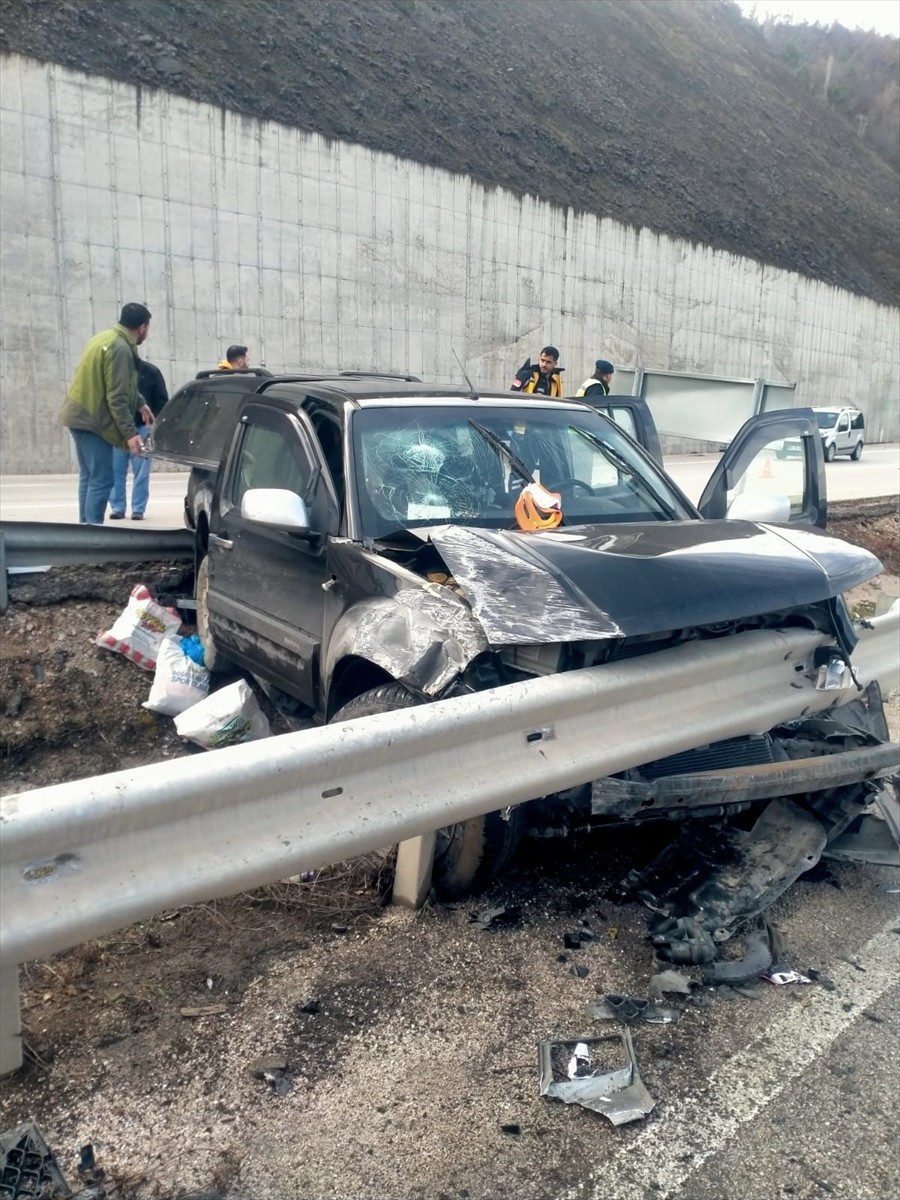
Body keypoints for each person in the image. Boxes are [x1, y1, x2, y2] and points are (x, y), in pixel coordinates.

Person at [60, 302, 152, 524]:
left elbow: (113, 382)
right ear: (142, 327)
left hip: (78, 414)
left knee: (89, 477)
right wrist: (130, 434)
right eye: (148, 328)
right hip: (92, 420)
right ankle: (92, 539)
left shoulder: (103, 338)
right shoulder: (120, 348)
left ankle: (84, 533)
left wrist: (140, 402)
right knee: (102, 479)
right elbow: (116, 397)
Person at [109, 359, 169, 520]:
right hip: (118, 428)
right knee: (115, 471)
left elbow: (162, 400)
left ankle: (138, 509)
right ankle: (117, 508)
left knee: (141, 472)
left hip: (143, 428)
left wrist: (154, 425)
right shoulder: (116, 372)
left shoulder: (152, 372)